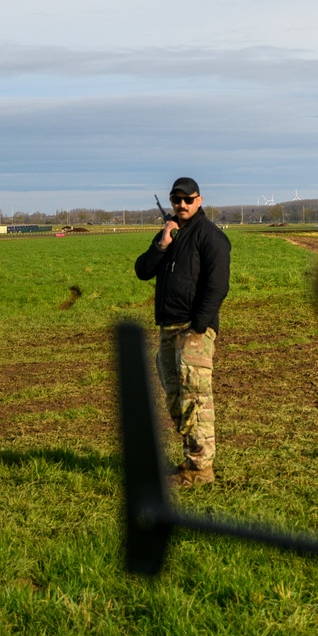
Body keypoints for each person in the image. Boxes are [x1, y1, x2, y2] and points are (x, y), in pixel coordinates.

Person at [134, 176, 230, 489]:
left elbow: (217, 288)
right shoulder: (169, 232)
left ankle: (201, 469)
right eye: (177, 200)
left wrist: (198, 329)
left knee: (196, 398)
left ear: (199, 200)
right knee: (175, 398)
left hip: (194, 330)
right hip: (167, 327)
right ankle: (192, 459)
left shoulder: (211, 237)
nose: (182, 205)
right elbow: (142, 270)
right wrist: (163, 243)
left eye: (188, 200)